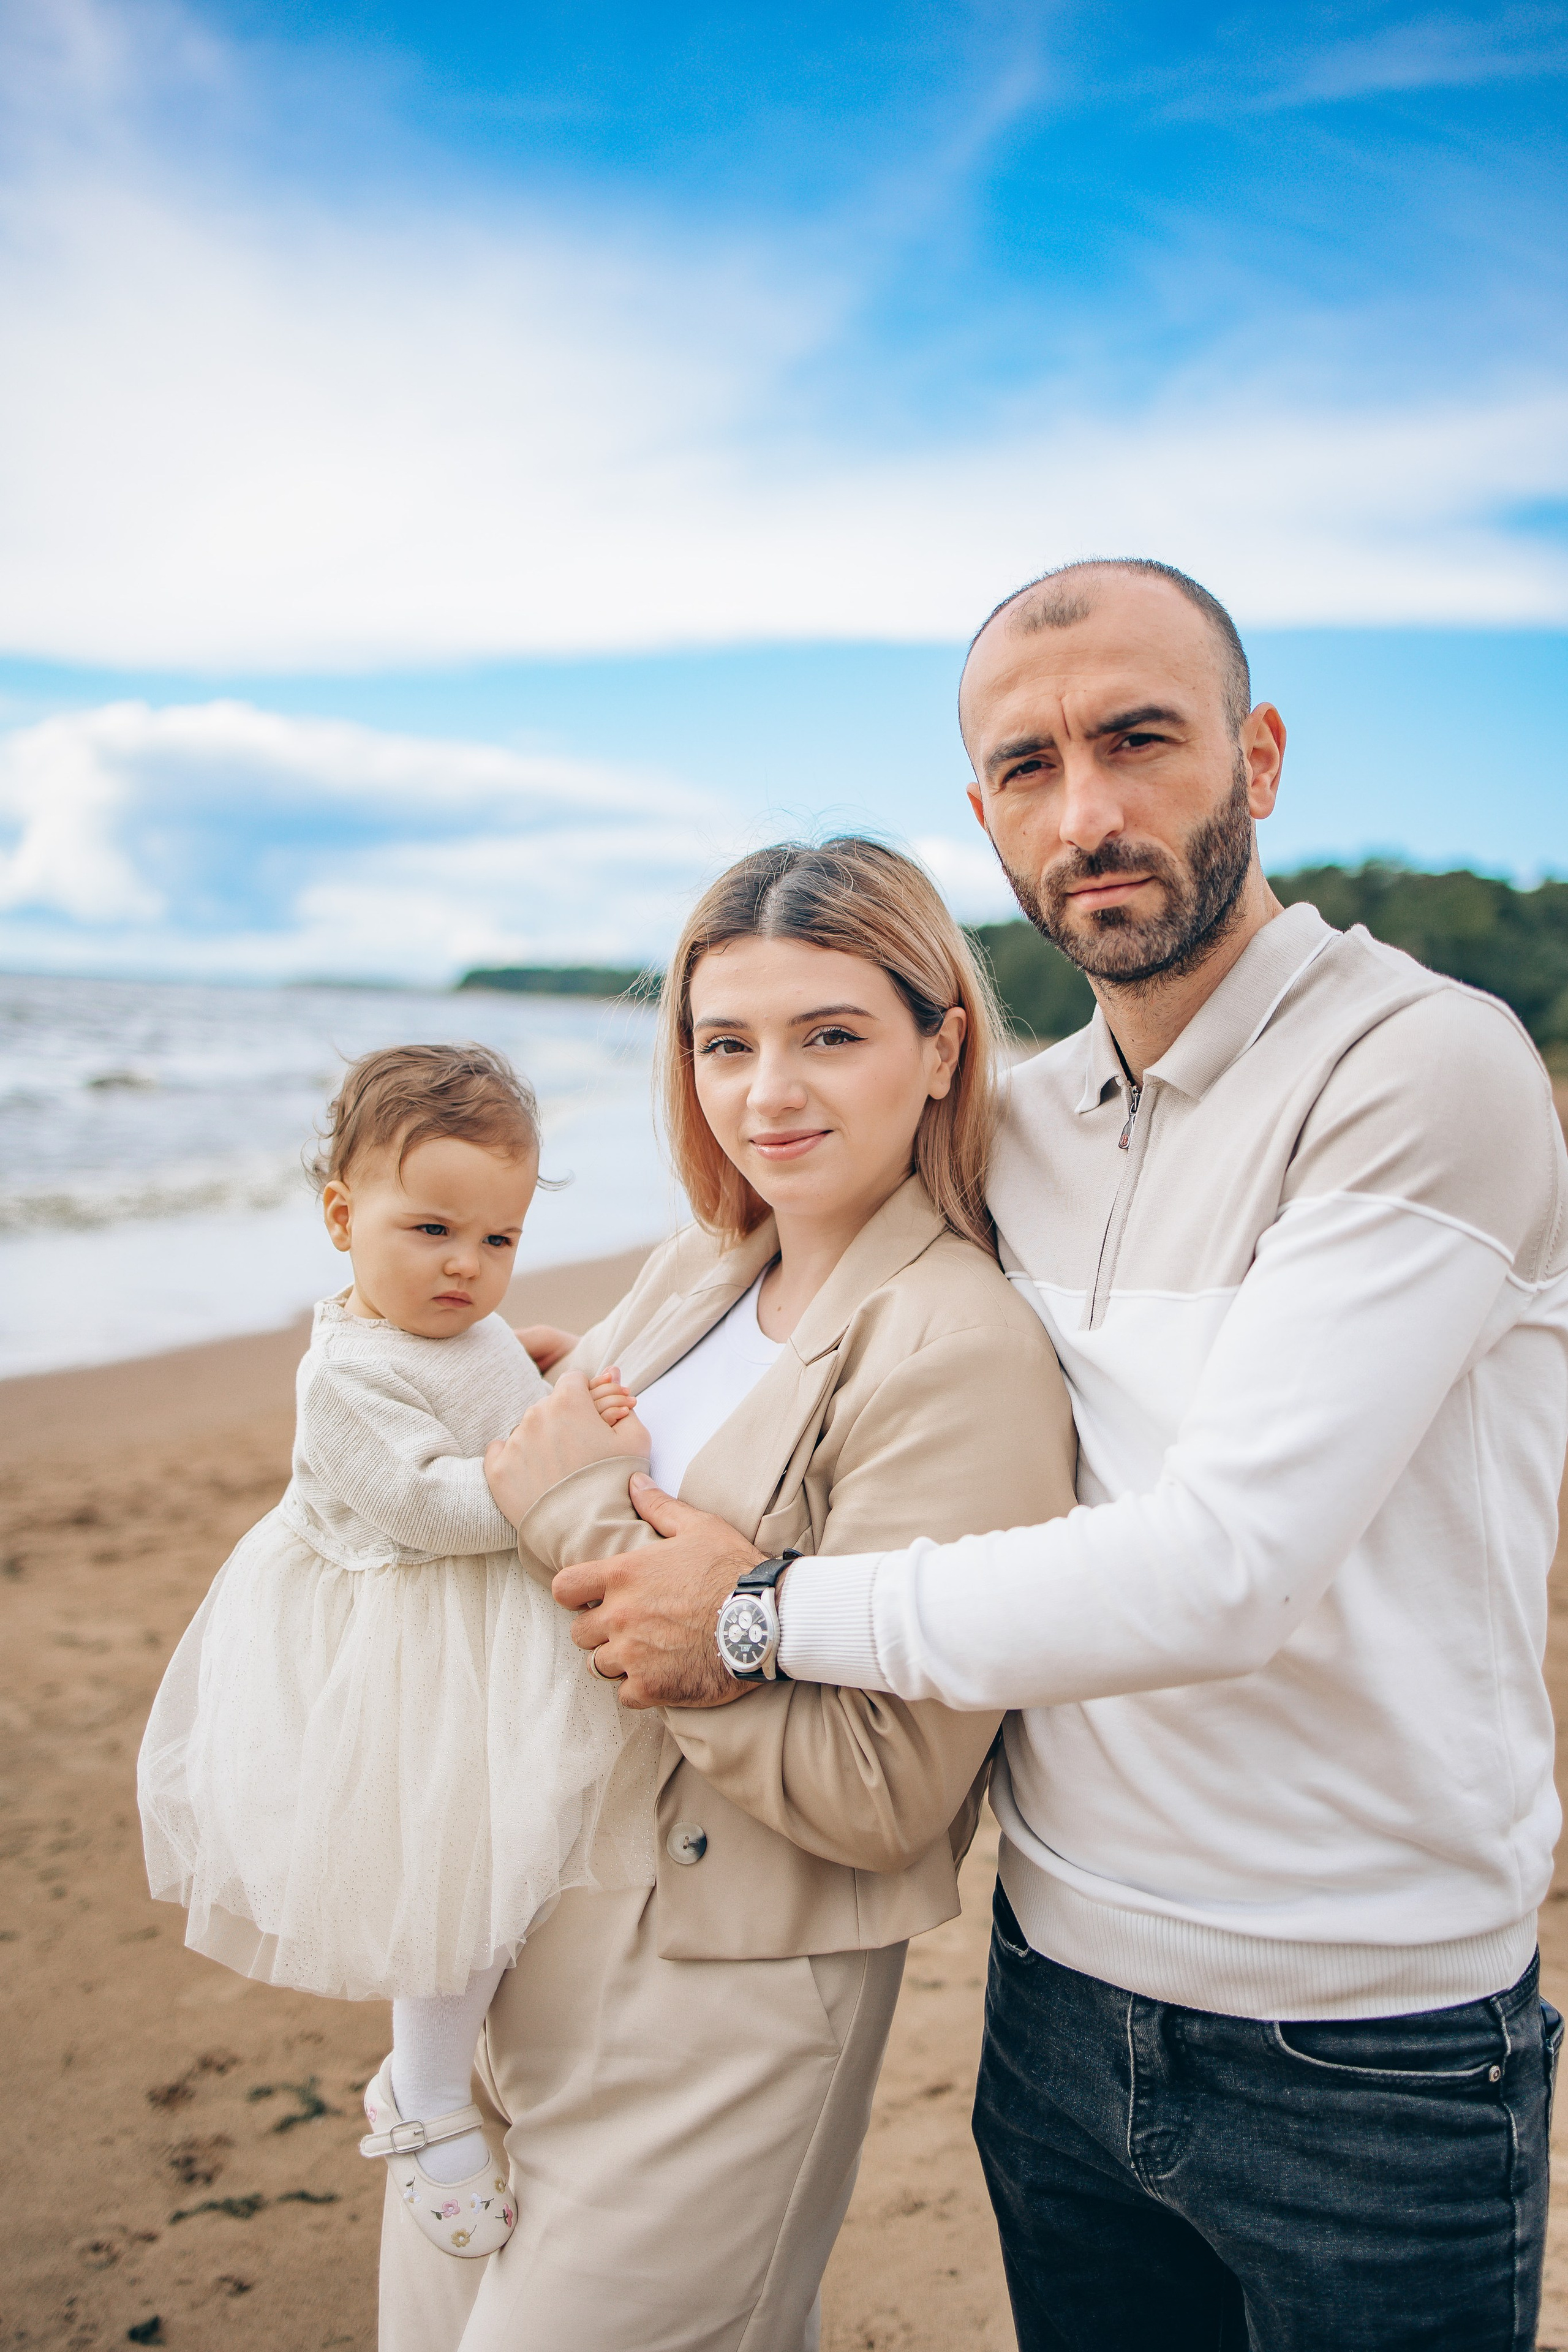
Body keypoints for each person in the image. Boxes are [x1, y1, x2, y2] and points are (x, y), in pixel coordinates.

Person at [557, 560, 1568, 2351]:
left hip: (1371, 2036)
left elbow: (1227, 1572)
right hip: (1054, 1997)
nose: (1087, 813)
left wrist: (758, 1618)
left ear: (1257, 753)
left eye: (1140, 740)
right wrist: (571, 1381)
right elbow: (816, 1313)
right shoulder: (1015, 1127)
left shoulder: (1424, 1067)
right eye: (1028, 768)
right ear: (984, 815)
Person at [384, 837, 1077, 2351]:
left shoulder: (958, 1346)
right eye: (725, 1042)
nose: (768, 1092)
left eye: (829, 1035)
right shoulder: (701, 1261)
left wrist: (568, 1501)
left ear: (940, 1045)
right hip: (509, 1940)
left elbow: (887, 1785)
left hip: (720, 1989)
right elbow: (557, 1460)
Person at [138, 1042, 639, 2260]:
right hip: (407, 1646)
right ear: (339, 1217)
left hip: (477, 1631)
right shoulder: (346, 1373)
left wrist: (538, 1372)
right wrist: (558, 1462)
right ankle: (422, 2092)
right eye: (430, 1232)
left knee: (522, 1853)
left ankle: (497, 2050)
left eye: (497, 1241)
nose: (466, 1269)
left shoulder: (454, 1319)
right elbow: (432, 1506)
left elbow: (478, 1396)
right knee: (450, 1886)